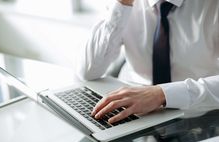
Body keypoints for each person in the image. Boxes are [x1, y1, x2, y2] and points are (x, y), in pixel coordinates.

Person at [77, 0, 219, 124]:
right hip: (130, 111)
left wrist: (162, 94)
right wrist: (122, 5)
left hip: (196, 113)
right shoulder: (122, 3)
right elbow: (88, 72)